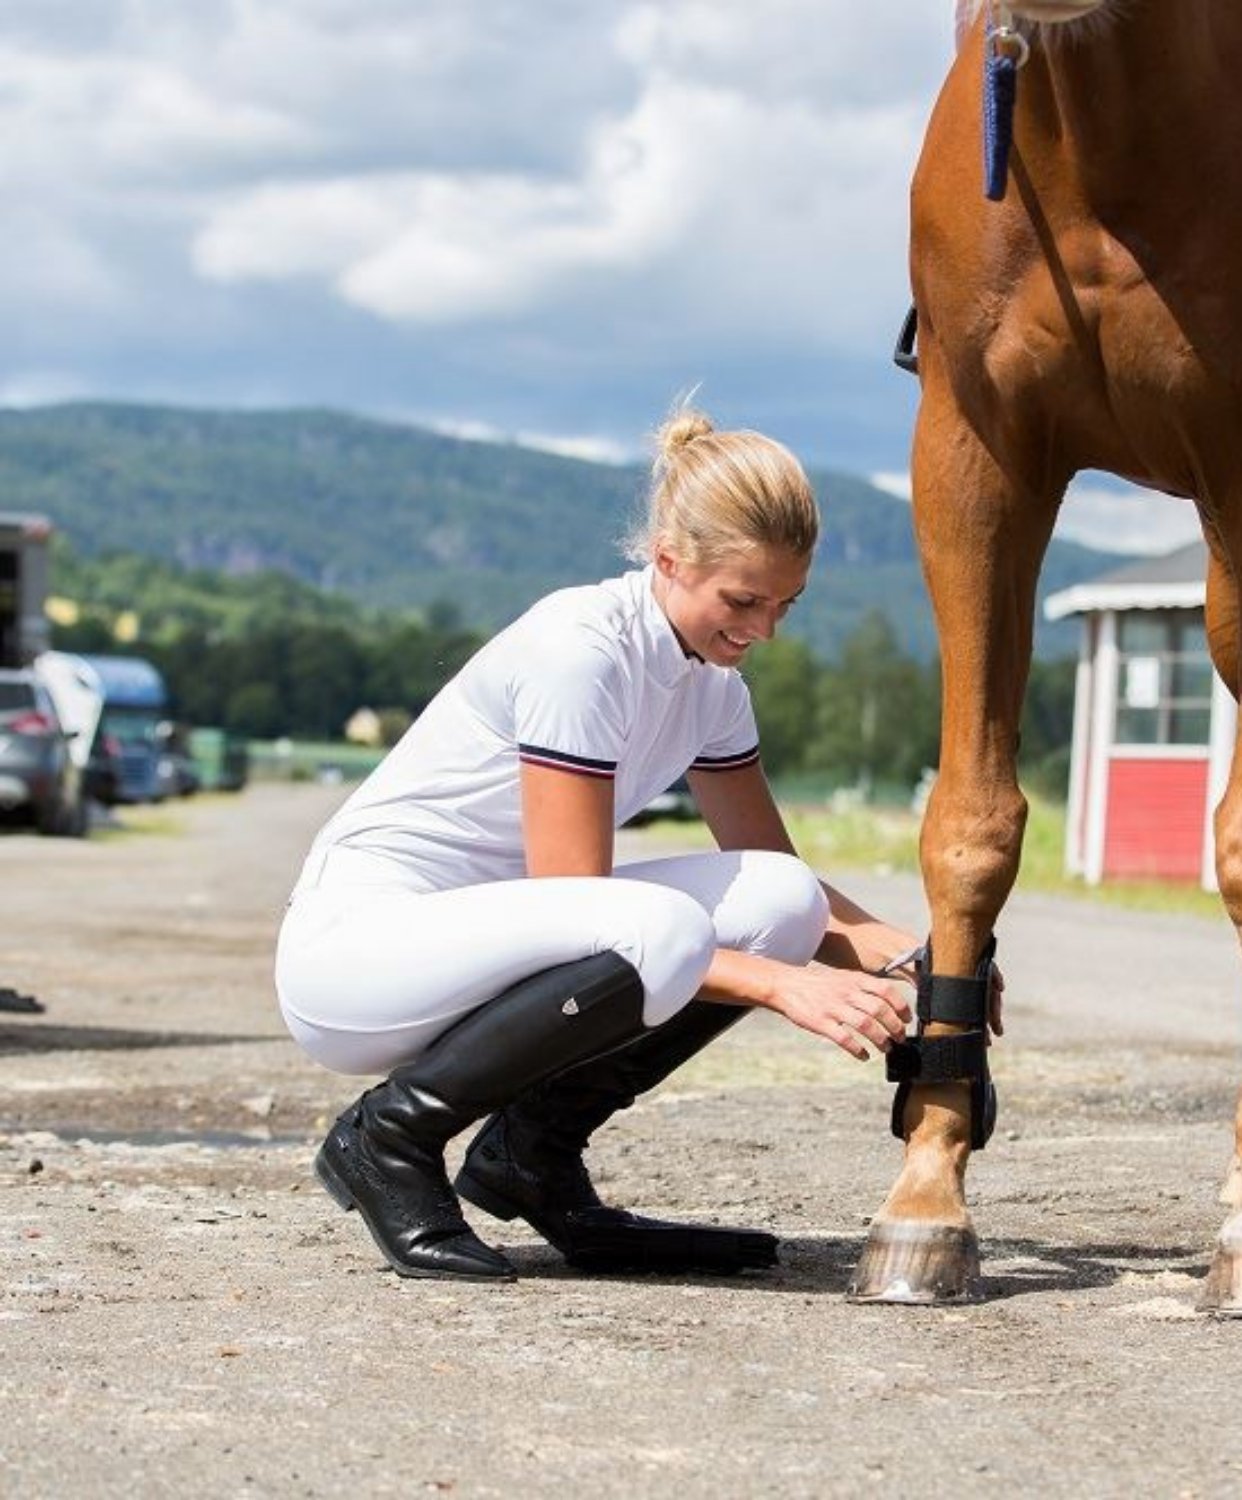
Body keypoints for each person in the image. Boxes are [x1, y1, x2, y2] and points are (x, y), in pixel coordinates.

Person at [275, 405, 932, 1283]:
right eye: (743, 601)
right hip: (359, 961)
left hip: (489, 948)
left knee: (779, 898)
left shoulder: (712, 686)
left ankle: (531, 1155)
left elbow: (780, 882)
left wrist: (920, 958)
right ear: (668, 558)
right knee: (655, 927)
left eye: (785, 604)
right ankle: (391, 1133)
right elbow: (579, 901)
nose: (764, 630)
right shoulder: (579, 651)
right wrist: (782, 986)